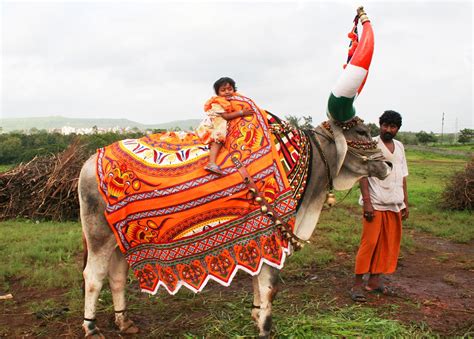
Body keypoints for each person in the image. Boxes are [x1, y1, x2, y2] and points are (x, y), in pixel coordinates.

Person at [350, 110, 409, 302]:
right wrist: (367, 202)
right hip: (375, 202)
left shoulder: (399, 147)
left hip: (394, 202)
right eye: (385, 125)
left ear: (397, 129)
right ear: (380, 125)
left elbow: (402, 175)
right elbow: (363, 174)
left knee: (387, 243)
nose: (388, 130)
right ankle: (357, 285)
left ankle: (373, 283)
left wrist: (405, 202)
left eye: (392, 127)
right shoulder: (371, 145)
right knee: (370, 244)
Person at [196, 77, 253, 175]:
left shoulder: (232, 99)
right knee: (217, 141)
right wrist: (242, 112)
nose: (227, 92)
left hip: (220, 124)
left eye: (229, 89)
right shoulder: (218, 102)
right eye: (223, 90)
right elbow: (226, 116)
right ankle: (212, 163)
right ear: (218, 93)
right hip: (213, 126)